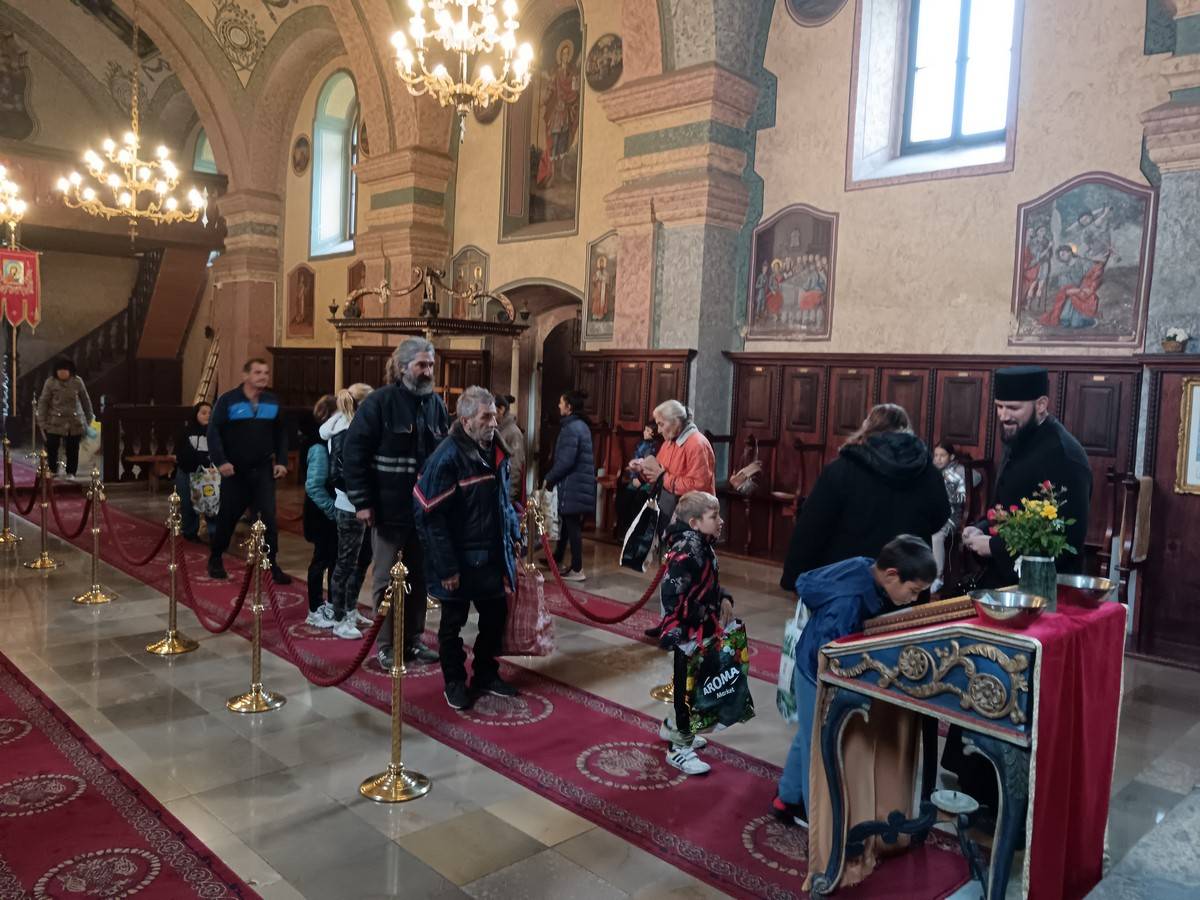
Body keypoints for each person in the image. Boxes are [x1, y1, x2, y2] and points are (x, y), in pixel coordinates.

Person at [773, 535, 936, 825]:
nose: (913, 599)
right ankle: (817, 822)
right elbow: (831, 655)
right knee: (818, 749)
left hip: (810, 661)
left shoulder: (865, 566)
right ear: (891, 575)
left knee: (808, 734)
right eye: (913, 591)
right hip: (815, 673)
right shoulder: (850, 602)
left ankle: (786, 797)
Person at [413, 386, 521, 711]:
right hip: (458, 561)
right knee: (452, 624)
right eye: (485, 417)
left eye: (494, 415)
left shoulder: (497, 450)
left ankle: (485, 672)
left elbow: (503, 502)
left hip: (491, 557)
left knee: (495, 617)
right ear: (466, 421)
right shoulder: (446, 457)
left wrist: (514, 535)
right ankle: (455, 681)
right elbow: (430, 517)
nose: (493, 422)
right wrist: (447, 568)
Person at [343, 337, 448, 669]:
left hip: (424, 511)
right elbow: (354, 454)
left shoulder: (436, 405)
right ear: (403, 368)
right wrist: (362, 502)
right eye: (421, 365)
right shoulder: (379, 403)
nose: (428, 371)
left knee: (419, 578)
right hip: (388, 509)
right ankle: (387, 645)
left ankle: (413, 640)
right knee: (387, 580)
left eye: (431, 365)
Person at [780, 404, 949, 591]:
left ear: (867, 427)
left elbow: (812, 526)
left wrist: (793, 577)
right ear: (906, 429)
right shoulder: (929, 473)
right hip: (907, 580)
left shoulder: (842, 469)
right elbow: (940, 517)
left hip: (849, 583)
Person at [962, 366, 1092, 587]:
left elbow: (1065, 537)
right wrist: (982, 528)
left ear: (1041, 404)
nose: (1004, 416)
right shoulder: (1020, 434)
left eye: (1013, 408)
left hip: (1044, 587)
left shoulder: (1064, 455)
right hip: (1003, 581)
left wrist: (993, 547)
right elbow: (1008, 506)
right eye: (999, 406)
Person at [655, 491, 734, 777]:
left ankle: (671, 726)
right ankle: (678, 748)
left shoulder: (701, 543)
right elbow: (673, 595)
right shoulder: (687, 548)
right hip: (687, 632)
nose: (720, 521)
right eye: (714, 516)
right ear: (695, 522)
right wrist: (704, 613)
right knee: (688, 689)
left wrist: (723, 597)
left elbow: (706, 583)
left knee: (690, 685)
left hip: (698, 629)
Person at [206, 358, 291, 584]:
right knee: (228, 517)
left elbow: (281, 434)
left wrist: (282, 461)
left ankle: (271, 564)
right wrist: (221, 461)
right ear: (245, 376)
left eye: (266, 372)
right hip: (235, 471)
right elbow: (214, 433)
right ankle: (216, 558)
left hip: (263, 471)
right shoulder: (228, 400)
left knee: (268, 520)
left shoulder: (272, 401)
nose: (263, 376)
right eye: (257, 372)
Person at [322, 383, 376, 640]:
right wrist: (360, 500)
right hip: (350, 506)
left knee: (363, 560)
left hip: (364, 505)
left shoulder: (358, 426)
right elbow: (338, 474)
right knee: (345, 564)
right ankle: (339, 618)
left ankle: (351, 610)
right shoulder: (343, 430)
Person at [630, 400, 716, 536]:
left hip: (692, 518)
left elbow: (699, 488)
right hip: (669, 512)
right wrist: (642, 470)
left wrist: (663, 477)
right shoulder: (669, 442)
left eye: (661, 424)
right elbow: (657, 473)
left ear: (675, 422)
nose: (658, 430)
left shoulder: (697, 444)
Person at [542, 389, 596, 581]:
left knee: (572, 526)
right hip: (577, 483)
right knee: (568, 522)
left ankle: (577, 568)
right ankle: (557, 558)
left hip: (573, 484)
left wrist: (549, 478)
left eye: (561, 402)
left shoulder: (572, 428)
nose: (558, 406)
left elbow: (566, 461)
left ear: (569, 407)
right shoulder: (579, 426)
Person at [302, 395, 338, 628]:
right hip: (322, 513)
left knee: (335, 559)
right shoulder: (318, 445)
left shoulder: (332, 440)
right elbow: (314, 485)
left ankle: (333, 606)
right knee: (321, 560)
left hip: (330, 512)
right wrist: (333, 511)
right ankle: (314, 608)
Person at [37, 357, 94, 480]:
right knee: (52, 446)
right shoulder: (50, 382)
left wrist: (89, 419)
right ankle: (52, 470)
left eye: (65, 369)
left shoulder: (78, 381)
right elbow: (43, 402)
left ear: (70, 370)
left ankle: (71, 472)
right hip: (54, 421)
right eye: (60, 370)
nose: (62, 372)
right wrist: (42, 422)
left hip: (74, 421)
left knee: (72, 448)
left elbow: (85, 401)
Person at [930, 440, 967, 594]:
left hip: (951, 516)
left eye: (942, 456)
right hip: (933, 513)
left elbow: (976, 477)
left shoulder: (958, 471)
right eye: (936, 455)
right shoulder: (932, 471)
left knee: (936, 535)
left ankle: (938, 577)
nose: (938, 459)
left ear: (951, 457)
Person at [174, 402, 213, 542]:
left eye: (210, 413)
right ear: (196, 414)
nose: (207, 416)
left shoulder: (214, 432)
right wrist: (200, 459)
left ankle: (213, 533)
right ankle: (190, 532)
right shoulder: (186, 431)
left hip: (207, 474)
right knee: (187, 504)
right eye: (203, 413)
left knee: (209, 505)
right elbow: (181, 452)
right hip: (187, 472)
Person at [615, 422, 660, 536]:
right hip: (636, 477)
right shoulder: (641, 444)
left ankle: (637, 531)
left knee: (639, 500)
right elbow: (636, 460)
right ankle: (625, 528)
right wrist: (634, 474)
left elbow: (650, 466)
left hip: (648, 481)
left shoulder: (656, 446)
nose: (644, 432)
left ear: (653, 433)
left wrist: (640, 478)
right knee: (624, 498)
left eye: (647, 430)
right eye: (645, 430)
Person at [495, 393, 525, 505]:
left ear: (501, 410)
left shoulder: (513, 432)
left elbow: (515, 466)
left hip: (506, 495)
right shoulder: (499, 430)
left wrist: (509, 497)